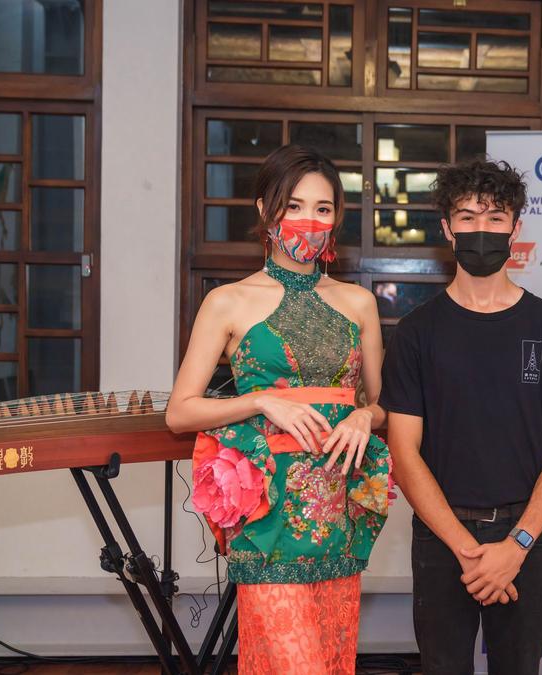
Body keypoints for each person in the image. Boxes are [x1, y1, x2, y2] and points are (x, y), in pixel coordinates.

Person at [166, 145, 391, 674]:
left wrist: (366, 416)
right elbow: (180, 412)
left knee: (332, 661)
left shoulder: (359, 303)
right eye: (293, 206)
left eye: (322, 208)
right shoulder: (227, 301)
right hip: (267, 510)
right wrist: (262, 400)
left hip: (337, 509)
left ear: (336, 218)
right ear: (264, 211)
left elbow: (379, 404)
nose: (308, 220)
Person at [381, 159, 542, 674]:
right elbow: (403, 452)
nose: (481, 229)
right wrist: (468, 550)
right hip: (441, 535)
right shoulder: (415, 333)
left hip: (527, 535)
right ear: (447, 228)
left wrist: (516, 545)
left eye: (495, 217)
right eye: (467, 217)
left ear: (516, 228)